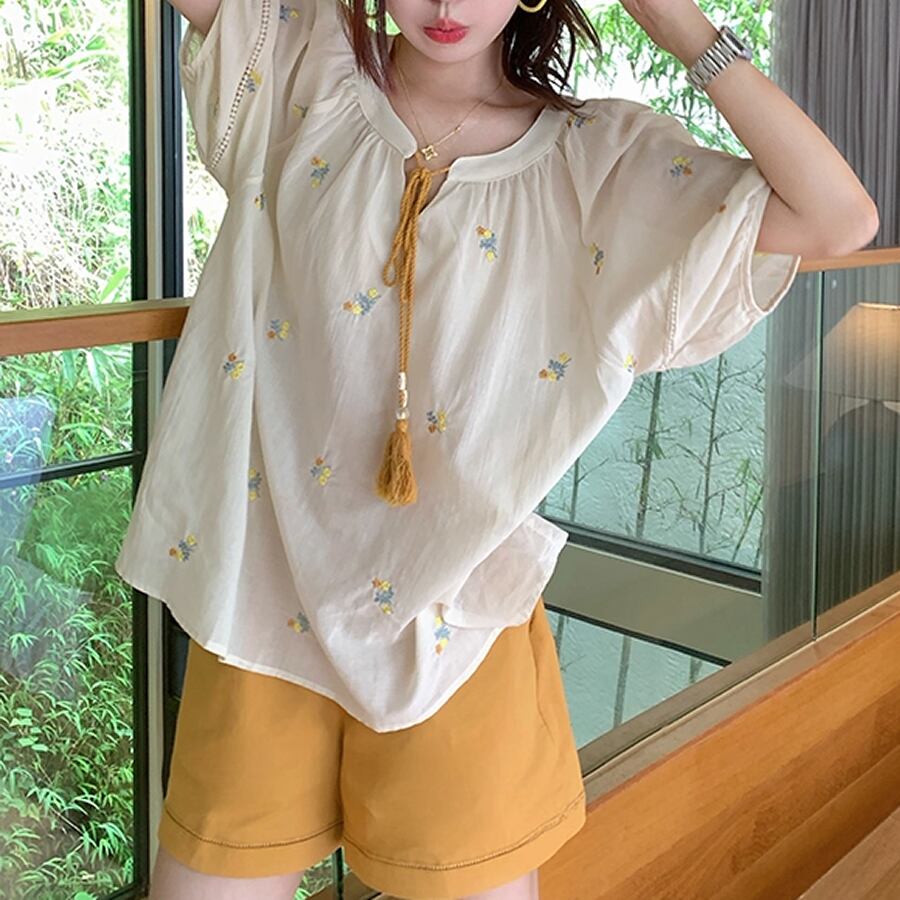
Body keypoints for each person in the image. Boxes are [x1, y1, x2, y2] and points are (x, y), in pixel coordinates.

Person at [115, 0, 878, 897]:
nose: (446, 6)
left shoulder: (601, 161)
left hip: (457, 631)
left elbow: (838, 217)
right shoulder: (301, 69)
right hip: (260, 611)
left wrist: (673, 22)